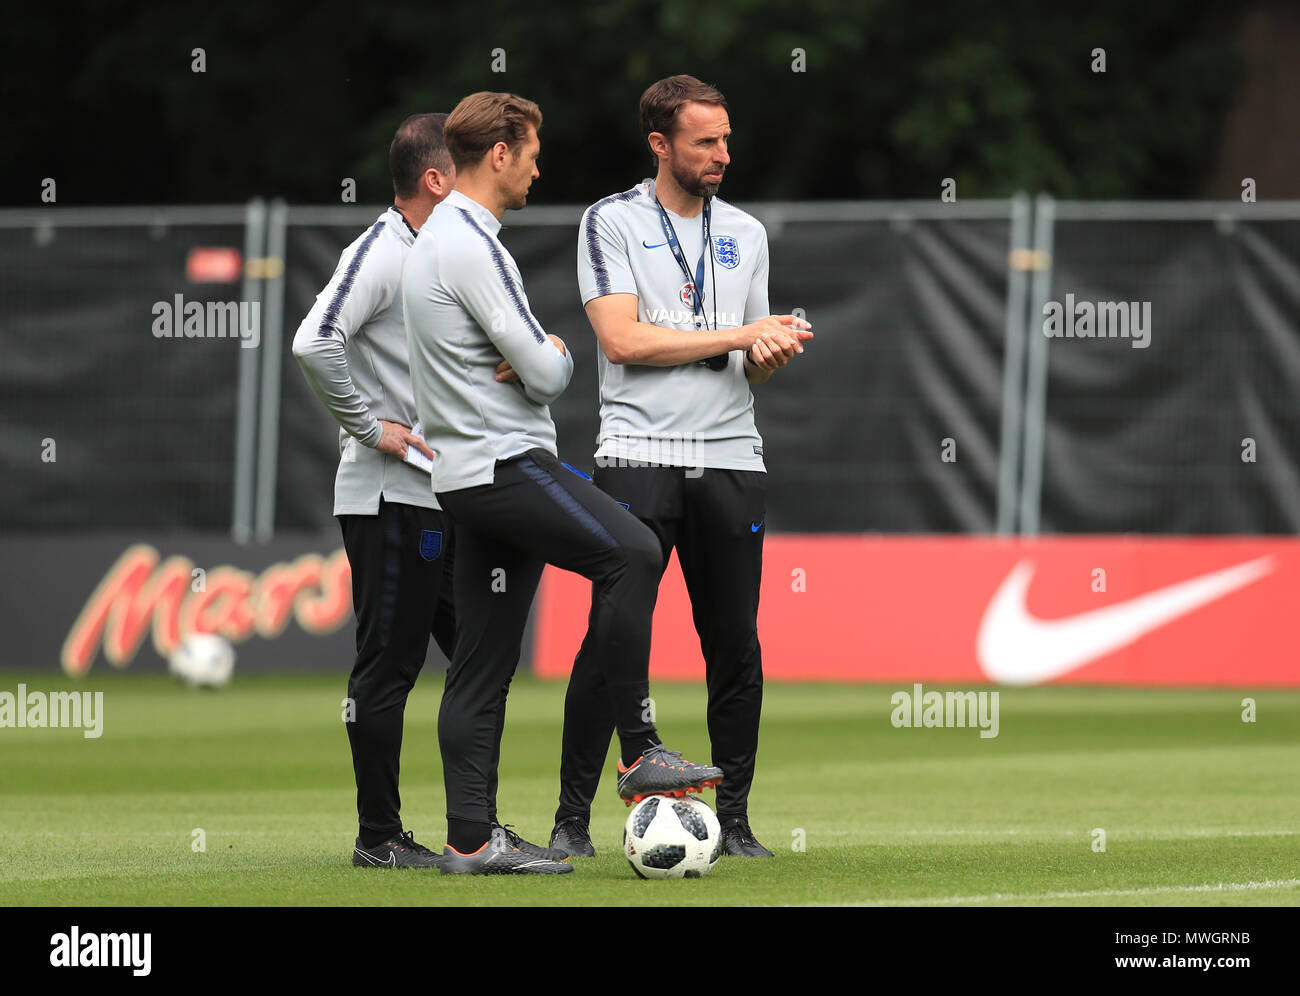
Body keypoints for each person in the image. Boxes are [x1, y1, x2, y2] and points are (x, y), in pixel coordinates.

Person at [404, 91, 724, 875]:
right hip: (505, 462)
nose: (541, 166)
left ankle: (472, 840)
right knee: (635, 551)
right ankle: (637, 752)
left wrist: (537, 353)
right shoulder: (473, 244)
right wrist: (551, 346)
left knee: (480, 665)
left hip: (463, 472)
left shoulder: (438, 241)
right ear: (500, 154)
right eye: (533, 151)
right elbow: (547, 373)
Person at [552, 75, 813, 860]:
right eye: (705, 141)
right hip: (637, 457)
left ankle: (732, 820)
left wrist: (765, 351)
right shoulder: (610, 221)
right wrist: (739, 337)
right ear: (660, 145)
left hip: (733, 458)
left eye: (726, 139)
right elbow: (624, 341)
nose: (722, 155)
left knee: (734, 643)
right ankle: (570, 820)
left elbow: (751, 359)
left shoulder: (747, 232)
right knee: (611, 639)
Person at [291, 113, 457, 869]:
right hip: (390, 495)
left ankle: (477, 829)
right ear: (435, 179)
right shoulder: (382, 250)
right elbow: (312, 340)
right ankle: (378, 837)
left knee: (481, 649)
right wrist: (371, 428)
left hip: (442, 495)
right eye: (473, 164)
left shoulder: (438, 255)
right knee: (387, 667)